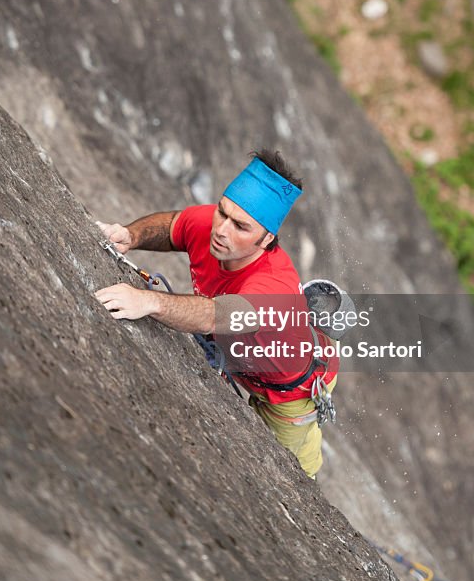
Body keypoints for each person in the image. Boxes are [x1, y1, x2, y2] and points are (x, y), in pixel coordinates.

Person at [95, 149, 338, 478]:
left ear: (267, 238)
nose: (222, 230)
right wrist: (131, 235)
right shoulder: (216, 226)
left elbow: (215, 316)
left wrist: (149, 301)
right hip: (247, 355)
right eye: (223, 213)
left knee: (289, 471)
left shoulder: (272, 286)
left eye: (241, 226)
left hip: (290, 392)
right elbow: (173, 227)